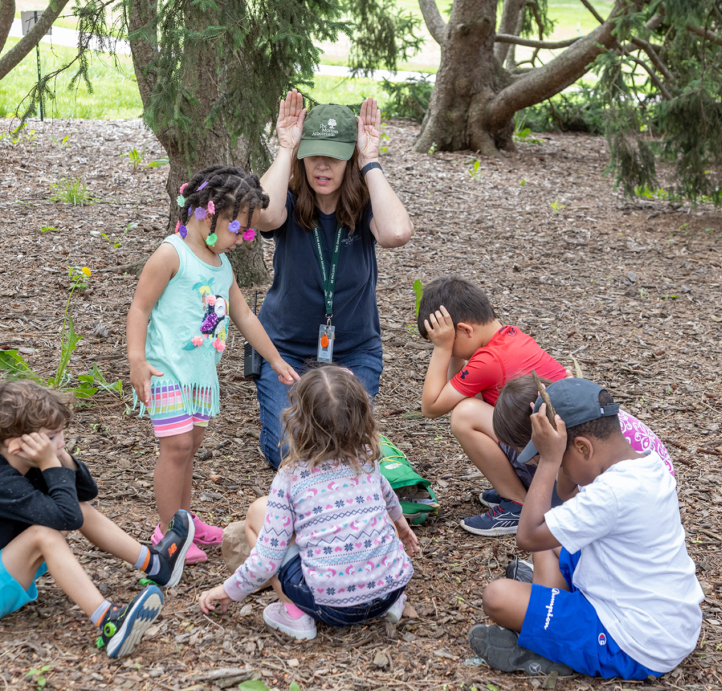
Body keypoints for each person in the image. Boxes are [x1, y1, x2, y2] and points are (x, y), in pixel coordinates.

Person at [0, 381, 194, 659]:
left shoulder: (24, 467)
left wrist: (58, 457)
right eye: (51, 437)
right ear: (16, 446)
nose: (60, 443)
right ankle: (109, 621)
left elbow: (84, 494)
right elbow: (66, 519)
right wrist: (49, 463)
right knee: (44, 535)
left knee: (76, 507)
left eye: (61, 434)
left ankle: (156, 564)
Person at [470, 378, 703, 679]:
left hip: (634, 643)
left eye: (563, 464)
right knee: (550, 545)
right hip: (671, 623)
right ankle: (554, 628)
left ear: (582, 448)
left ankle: (552, 648)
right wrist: (557, 446)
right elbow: (566, 496)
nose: (560, 472)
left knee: (498, 596)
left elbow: (527, 536)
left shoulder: (611, 495)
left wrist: (550, 461)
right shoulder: (646, 464)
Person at [127, 165, 299, 564]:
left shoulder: (222, 266)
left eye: (249, 232)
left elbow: (244, 317)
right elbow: (140, 307)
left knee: (191, 448)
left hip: (200, 376)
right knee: (177, 447)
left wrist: (274, 359)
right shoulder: (172, 254)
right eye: (240, 229)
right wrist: (136, 359)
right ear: (207, 213)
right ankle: (169, 532)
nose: (244, 240)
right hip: (165, 370)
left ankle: (183, 521)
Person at [251, 90, 414, 468]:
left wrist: (370, 161)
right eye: (314, 155)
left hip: (353, 353)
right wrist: (286, 149)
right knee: (291, 454)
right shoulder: (289, 200)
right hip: (286, 353)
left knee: (346, 451)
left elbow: (396, 233)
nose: (322, 166)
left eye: (335, 157)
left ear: (349, 160)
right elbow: (264, 216)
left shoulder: (366, 204)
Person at [196, 366, 419, 640]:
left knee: (257, 514)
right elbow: (387, 496)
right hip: (390, 591)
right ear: (362, 416)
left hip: (329, 608)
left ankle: (295, 614)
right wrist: (401, 523)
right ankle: (393, 602)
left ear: (298, 421)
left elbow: (267, 559)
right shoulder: (366, 460)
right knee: (374, 518)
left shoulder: (290, 477)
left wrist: (227, 590)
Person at [417, 276, 566, 536]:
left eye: (451, 342)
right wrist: (453, 350)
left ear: (465, 330)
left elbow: (431, 407)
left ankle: (520, 504)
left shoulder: (490, 360)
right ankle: (520, 489)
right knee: (469, 404)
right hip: (563, 468)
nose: (450, 350)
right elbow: (459, 391)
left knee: (464, 416)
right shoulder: (508, 337)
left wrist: (441, 349)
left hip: (556, 479)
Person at [493, 375, 676, 505]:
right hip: (658, 485)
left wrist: (549, 461)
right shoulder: (593, 417)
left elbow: (531, 536)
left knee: (549, 530)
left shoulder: (603, 467)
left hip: (638, 497)